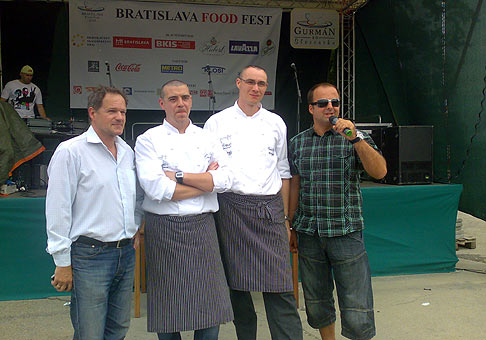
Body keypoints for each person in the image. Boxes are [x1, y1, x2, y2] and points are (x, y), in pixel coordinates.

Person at [204, 65, 303, 340]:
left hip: (269, 209)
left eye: (261, 84)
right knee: (237, 288)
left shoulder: (275, 123)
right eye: (250, 82)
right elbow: (210, 171)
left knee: (280, 287)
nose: (256, 88)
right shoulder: (217, 122)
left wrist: (284, 218)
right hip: (230, 209)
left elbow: (283, 173)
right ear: (238, 83)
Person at [134, 80, 234, 340]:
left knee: (210, 305)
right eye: (173, 99)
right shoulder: (148, 140)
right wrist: (204, 183)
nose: (180, 104)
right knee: (168, 308)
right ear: (162, 104)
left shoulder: (207, 137)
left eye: (185, 98)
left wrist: (178, 176)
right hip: (163, 229)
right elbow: (157, 189)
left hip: (203, 226)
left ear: (191, 101)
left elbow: (225, 180)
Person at [288, 82, 387, 340]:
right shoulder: (297, 143)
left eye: (335, 102)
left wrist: (355, 139)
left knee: (356, 304)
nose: (330, 107)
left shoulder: (355, 137)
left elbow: (380, 171)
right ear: (311, 109)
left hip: (345, 232)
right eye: (323, 103)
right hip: (309, 232)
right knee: (317, 301)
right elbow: (295, 186)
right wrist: (290, 224)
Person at [45, 86, 142, 340]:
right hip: (90, 256)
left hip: (125, 253)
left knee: (118, 329)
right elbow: (58, 209)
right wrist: (62, 262)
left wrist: (136, 226)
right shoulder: (70, 152)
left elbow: (132, 198)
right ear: (92, 113)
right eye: (111, 111)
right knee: (90, 333)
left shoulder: (127, 152)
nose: (119, 117)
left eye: (122, 111)